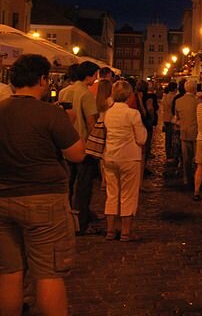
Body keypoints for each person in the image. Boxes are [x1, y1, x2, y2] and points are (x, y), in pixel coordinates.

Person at [0, 54, 85, 315]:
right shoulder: (50, 113)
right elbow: (77, 154)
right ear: (42, 80)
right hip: (44, 200)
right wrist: (68, 124)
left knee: (9, 272)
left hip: (3, 199)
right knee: (48, 273)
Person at [102, 80, 147, 241]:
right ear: (129, 95)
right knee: (128, 194)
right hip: (129, 157)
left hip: (110, 156)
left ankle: (110, 230)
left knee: (112, 193)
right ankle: (126, 231)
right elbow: (141, 139)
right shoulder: (132, 114)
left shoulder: (108, 112)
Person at [60, 60, 100, 234]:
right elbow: (91, 123)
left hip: (64, 144)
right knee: (83, 187)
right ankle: (81, 223)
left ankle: (66, 218)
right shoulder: (86, 94)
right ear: (89, 76)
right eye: (95, 75)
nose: (96, 79)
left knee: (67, 185)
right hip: (82, 146)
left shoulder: (63, 92)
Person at [174, 80, 200, 186]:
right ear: (194, 89)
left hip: (184, 132)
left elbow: (177, 117)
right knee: (198, 158)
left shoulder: (178, 101)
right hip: (197, 133)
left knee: (186, 159)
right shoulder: (198, 102)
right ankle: (198, 177)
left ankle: (186, 178)